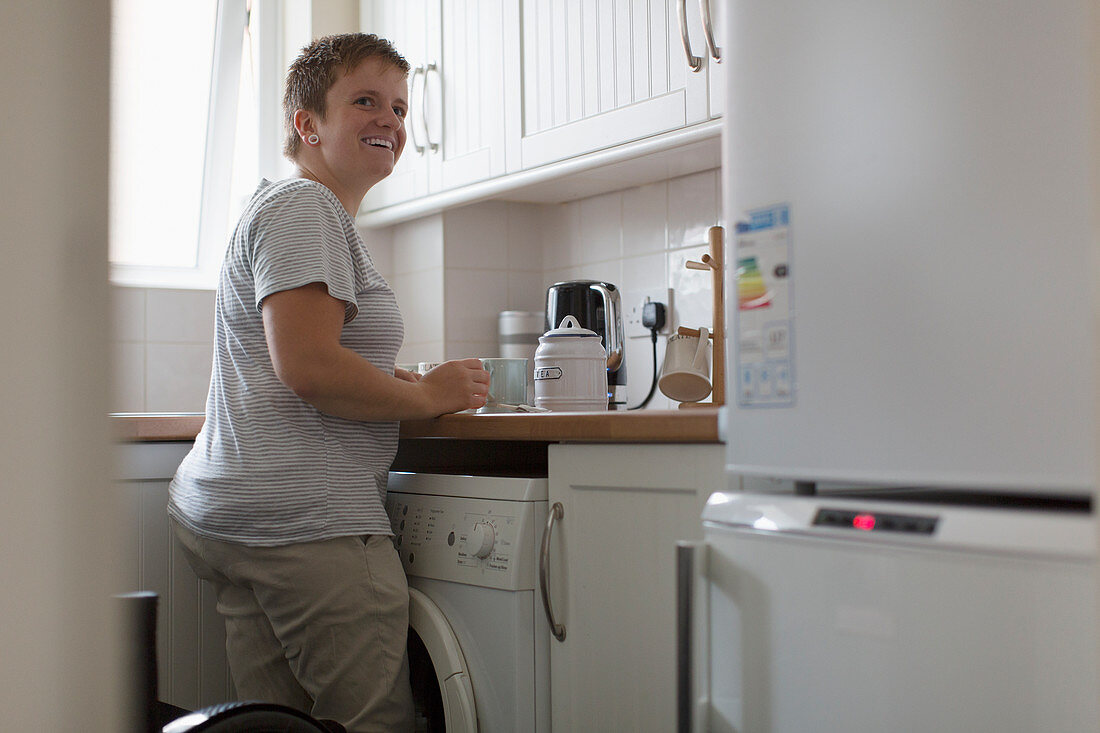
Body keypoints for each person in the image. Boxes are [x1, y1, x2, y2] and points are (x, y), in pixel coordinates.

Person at [167, 33, 489, 733]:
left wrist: (387, 379)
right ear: (306, 125)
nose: (391, 122)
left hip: (241, 517)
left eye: (400, 108)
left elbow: (298, 356)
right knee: (371, 722)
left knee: (285, 725)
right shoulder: (305, 209)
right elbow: (307, 365)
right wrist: (427, 395)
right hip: (307, 519)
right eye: (366, 101)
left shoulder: (292, 210)